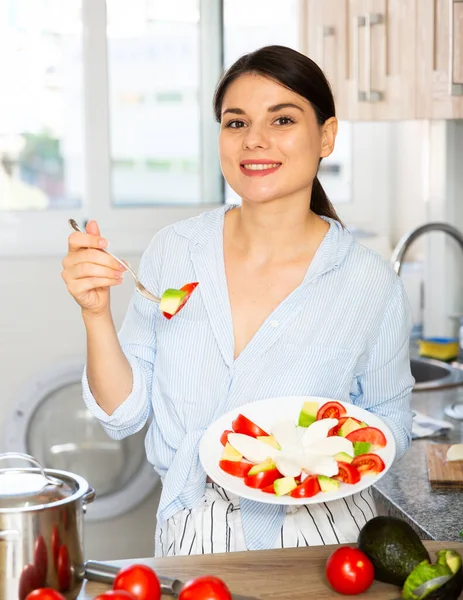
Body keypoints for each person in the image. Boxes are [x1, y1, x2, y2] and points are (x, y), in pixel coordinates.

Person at [61, 45, 414, 556]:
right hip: (192, 530)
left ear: (327, 136)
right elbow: (123, 413)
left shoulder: (368, 281)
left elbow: (391, 419)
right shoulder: (175, 251)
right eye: (236, 122)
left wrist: (320, 463)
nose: (255, 141)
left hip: (324, 540)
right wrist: (94, 313)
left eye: (283, 119)